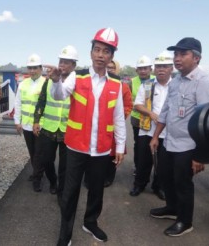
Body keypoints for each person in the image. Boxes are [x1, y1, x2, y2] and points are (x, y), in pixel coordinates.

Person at [49, 28, 126, 245]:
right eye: (97, 50)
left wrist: (120, 145)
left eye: (106, 52)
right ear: (91, 52)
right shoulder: (77, 76)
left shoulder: (117, 83)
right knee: (70, 193)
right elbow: (60, 95)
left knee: (96, 190)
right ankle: (65, 235)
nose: (101, 55)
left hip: (101, 149)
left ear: (112, 56)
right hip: (76, 147)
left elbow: (119, 116)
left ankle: (90, 222)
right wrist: (56, 81)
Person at [149, 37, 209, 236]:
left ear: (196, 58)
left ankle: (185, 221)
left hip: (189, 145)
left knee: (183, 183)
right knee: (165, 176)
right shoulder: (176, 81)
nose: (177, 59)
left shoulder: (204, 83)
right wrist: (155, 136)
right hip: (170, 140)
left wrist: (199, 156)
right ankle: (172, 208)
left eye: (182, 54)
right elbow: (166, 110)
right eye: (175, 54)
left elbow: (207, 122)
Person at [32, 45, 77, 196]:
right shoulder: (49, 81)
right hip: (49, 128)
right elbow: (41, 101)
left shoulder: (78, 83)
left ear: (74, 65)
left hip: (67, 130)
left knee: (65, 164)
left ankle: (61, 189)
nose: (62, 65)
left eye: (66, 62)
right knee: (46, 160)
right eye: (61, 61)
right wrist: (36, 120)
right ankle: (53, 181)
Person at [129, 51, 173, 200]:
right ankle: (139, 184)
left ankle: (158, 186)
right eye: (159, 66)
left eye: (165, 66)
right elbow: (137, 105)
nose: (161, 69)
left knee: (163, 163)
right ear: (154, 69)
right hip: (147, 130)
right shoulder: (147, 85)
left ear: (171, 68)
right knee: (143, 160)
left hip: (167, 132)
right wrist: (151, 114)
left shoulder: (176, 86)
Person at [14, 54, 46, 186]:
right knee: (32, 152)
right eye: (30, 68)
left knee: (39, 152)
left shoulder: (46, 83)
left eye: (35, 68)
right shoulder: (23, 84)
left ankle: (37, 178)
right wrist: (17, 121)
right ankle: (36, 171)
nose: (32, 71)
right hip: (27, 124)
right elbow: (18, 103)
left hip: (41, 125)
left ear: (40, 68)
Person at [104, 60, 132, 187]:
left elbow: (127, 106)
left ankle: (109, 177)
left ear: (117, 70)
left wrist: (115, 119)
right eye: (107, 67)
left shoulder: (123, 86)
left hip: (113, 127)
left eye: (112, 68)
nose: (109, 70)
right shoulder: (98, 83)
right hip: (97, 127)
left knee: (112, 155)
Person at [130, 56, 155, 175]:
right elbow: (128, 100)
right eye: (140, 68)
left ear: (151, 69)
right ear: (136, 70)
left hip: (153, 119)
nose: (143, 71)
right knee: (139, 145)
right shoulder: (132, 82)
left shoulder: (157, 80)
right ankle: (138, 167)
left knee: (154, 144)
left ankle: (155, 169)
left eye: (145, 68)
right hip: (137, 118)